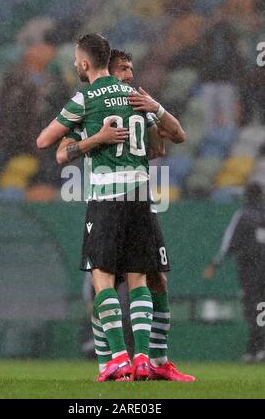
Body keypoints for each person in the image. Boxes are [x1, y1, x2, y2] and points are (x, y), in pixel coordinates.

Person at [55, 49, 195, 382]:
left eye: (131, 68)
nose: (130, 75)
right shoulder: (89, 107)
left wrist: (154, 112)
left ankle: (156, 360)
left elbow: (171, 138)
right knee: (102, 280)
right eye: (123, 69)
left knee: (156, 277)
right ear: (105, 72)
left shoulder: (137, 104)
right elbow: (62, 150)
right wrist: (96, 139)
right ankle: (111, 362)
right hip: (105, 202)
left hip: (139, 201)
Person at [38, 33, 165, 382]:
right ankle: (143, 359)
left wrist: (92, 138)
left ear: (83, 62)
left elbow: (46, 142)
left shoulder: (85, 97)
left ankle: (118, 359)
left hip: (107, 199)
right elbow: (160, 147)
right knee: (140, 280)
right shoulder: (136, 97)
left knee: (102, 280)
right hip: (140, 198)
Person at [204, 182, 265, 363]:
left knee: (253, 309)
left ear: (247, 195)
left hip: (251, 271)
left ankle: (255, 349)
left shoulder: (244, 215)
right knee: (261, 308)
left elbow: (229, 241)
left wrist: (215, 263)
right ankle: (258, 349)